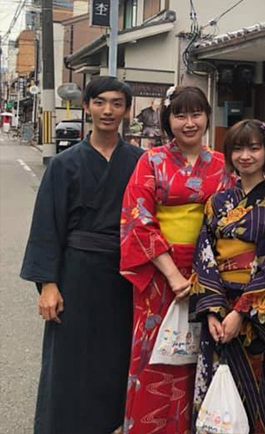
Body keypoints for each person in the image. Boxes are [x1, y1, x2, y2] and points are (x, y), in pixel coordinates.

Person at [20, 76, 144, 434]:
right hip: (76, 275)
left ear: (127, 110)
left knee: (119, 359)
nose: (108, 110)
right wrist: (48, 284)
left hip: (125, 277)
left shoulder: (141, 162)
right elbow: (47, 225)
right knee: (69, 363)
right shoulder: (64, 163)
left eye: (117, 103)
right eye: (100, 102)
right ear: (87, 106)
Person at [120, 85, 233, 434]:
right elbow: (138, 218)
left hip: (210, 274)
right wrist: (172, 275)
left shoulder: (222, 164)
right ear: (168, 120)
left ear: (207, 117)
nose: (189, 123)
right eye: (180, 115)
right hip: (160, 273)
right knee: (156, 353)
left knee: (202, 354)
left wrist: (211, 272)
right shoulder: (151, 161)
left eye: (196, 114)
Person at [192, 119, 265, 433]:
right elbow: (204, 256)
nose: (246, 156)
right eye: (238, 149)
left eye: (254, 148)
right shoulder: (217, 202)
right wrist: (213, 310)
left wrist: (240, 313)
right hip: (218, 304)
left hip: (253, 313)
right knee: (214, 392)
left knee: (255, 390)